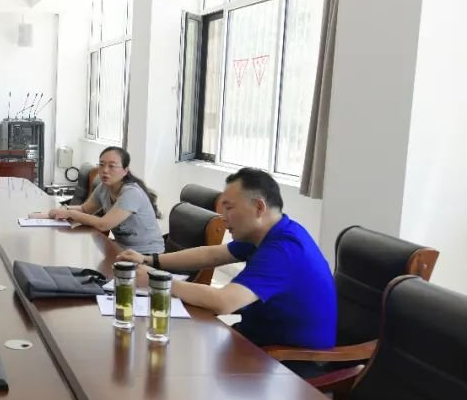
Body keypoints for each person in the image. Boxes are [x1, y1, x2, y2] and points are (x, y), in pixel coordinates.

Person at [116, 167, 336, 349]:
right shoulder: (268, 233)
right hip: (257, 340)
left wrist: (155, 280)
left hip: (289, 360)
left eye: (229, 208)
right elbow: (210, 255)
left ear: (259, 207)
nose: (223, 217)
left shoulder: (284, 250)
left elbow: (224, 302)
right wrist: (150, 260)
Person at [37, 146, 164, 255]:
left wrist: (70, 213)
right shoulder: (104, 188)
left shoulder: (132, 193)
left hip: (146, 254)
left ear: (125, 171)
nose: (105, 170)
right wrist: (65, 209)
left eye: (112, 166)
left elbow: (104, 224)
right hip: (121, 249)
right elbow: (84, 209)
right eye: (101, 165)